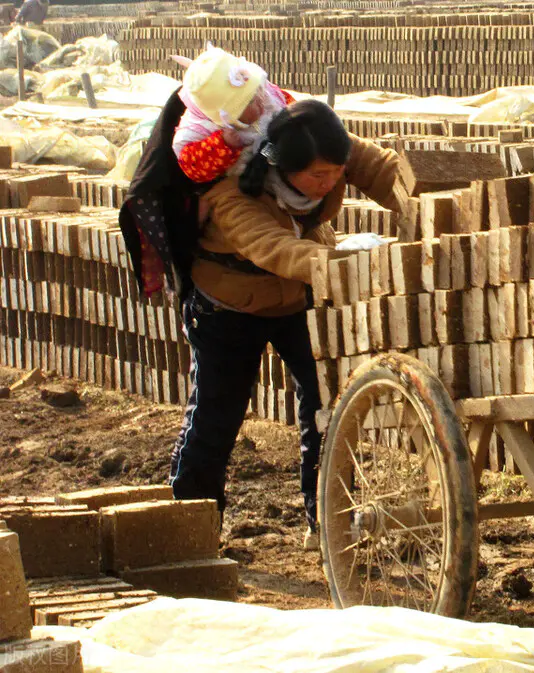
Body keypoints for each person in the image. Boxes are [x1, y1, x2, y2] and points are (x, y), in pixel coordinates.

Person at [167, 99, 404, 551]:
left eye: (336, 172)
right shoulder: (229, 190)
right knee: (218, 415)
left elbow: (379, 169)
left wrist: (431, 204)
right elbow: (275, 248)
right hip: (229, 306)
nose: (330, 182)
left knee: (328, 407)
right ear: (277, 162)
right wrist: (349, 264)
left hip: (299, 296)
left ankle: (328, 521)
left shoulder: (323, 147)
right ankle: (190, 530)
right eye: (318, 176)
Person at [172, 46, 292, 185]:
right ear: (229, 116)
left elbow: (287, 105)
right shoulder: (200, 129)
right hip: (244, 182)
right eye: (250, 101)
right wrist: (224, 144)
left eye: (258, 90)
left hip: (280, 158)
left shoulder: (265, 94)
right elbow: (191, 167)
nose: (260, 100)